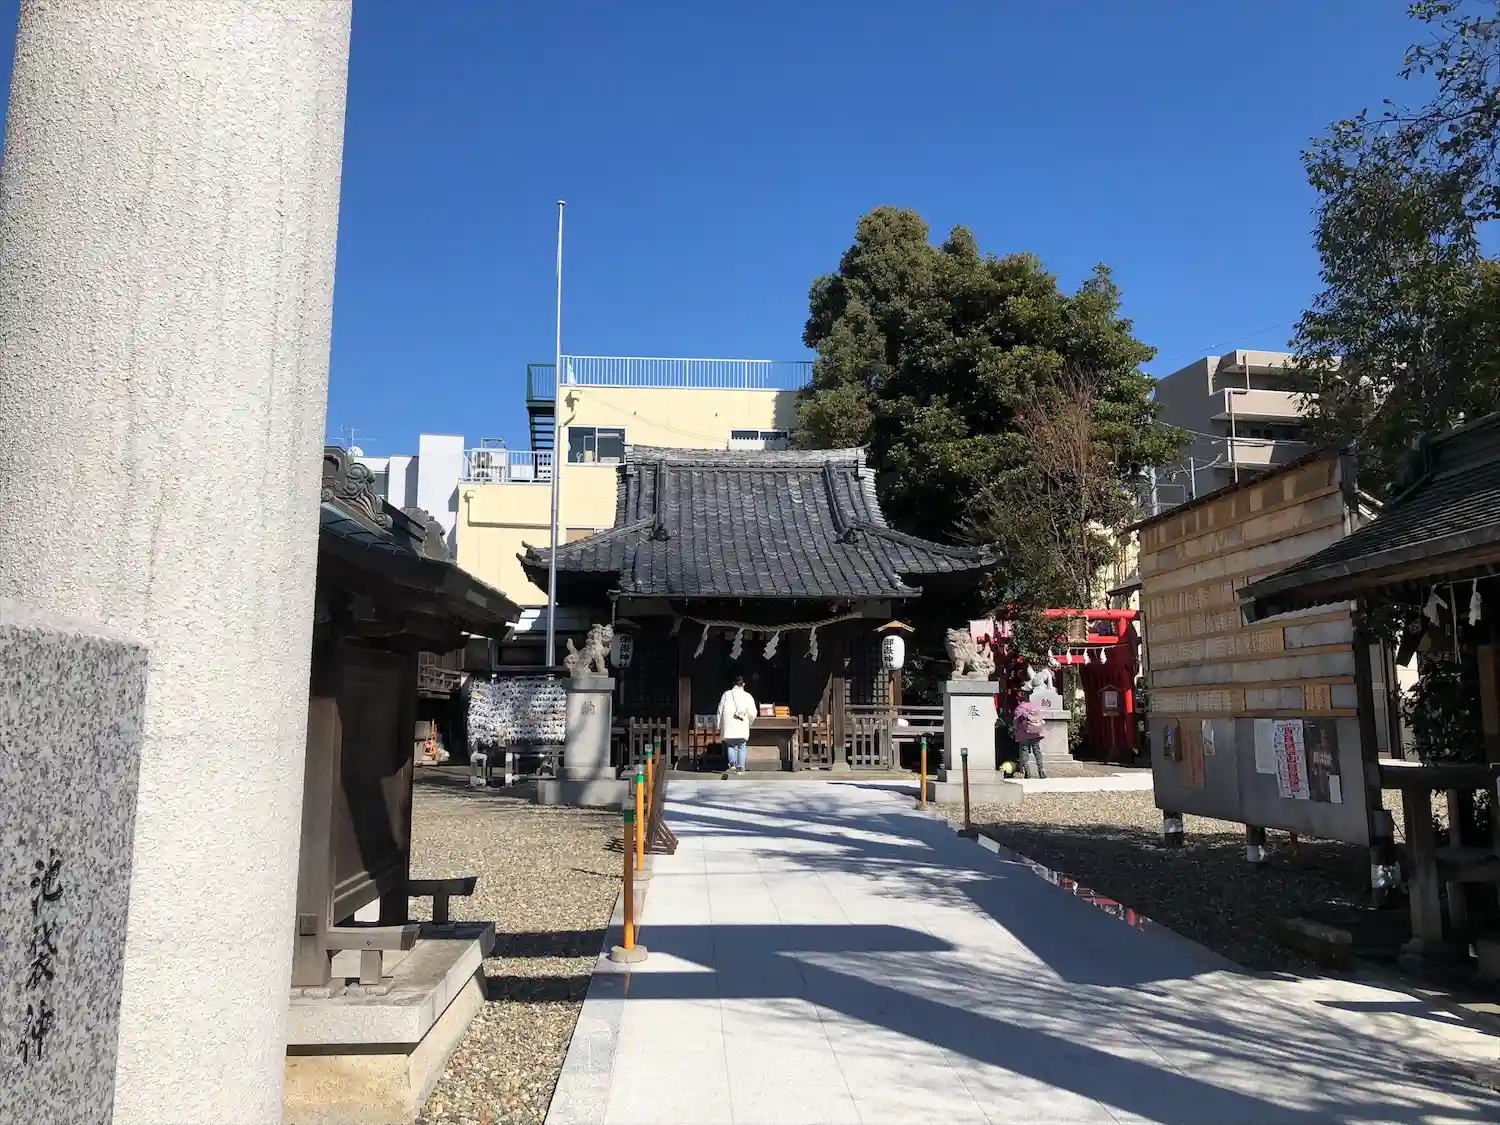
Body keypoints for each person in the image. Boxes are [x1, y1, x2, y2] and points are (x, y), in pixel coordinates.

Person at [716, 674, 757, 777]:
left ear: (733, 683)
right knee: (742, 746)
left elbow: (720, 710)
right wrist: (749, 723)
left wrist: (719, 725)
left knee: (730, 745)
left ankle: (732, 766)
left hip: (729, 726)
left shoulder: (726, 695)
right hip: (742, 725)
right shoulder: (747, 696)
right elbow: (753, 713)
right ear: (743, 684)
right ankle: (741, 767)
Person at [1012, 687, 1047, 779]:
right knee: (1037, 751)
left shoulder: (1019, 708)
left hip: (1023, 733)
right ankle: (1041, 770)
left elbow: (1015, 722)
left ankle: (1027, 771)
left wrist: (1014, 729)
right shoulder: (1033, 706)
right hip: (1035, 732)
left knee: (1024, 752)